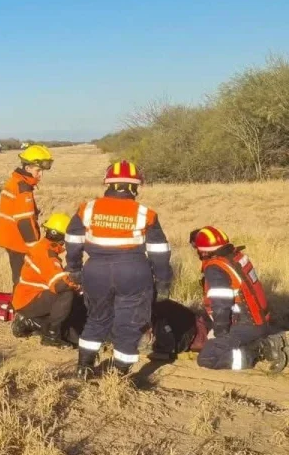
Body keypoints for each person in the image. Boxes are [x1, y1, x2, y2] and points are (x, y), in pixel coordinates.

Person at [65, 160, 172, 378]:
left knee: (96, 319)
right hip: (133, 273)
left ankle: (84, 367)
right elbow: (159, 252)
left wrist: (74, 268)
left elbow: (73, 240)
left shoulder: (87, 209)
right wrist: (163, 281)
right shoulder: (146, 213)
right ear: (135, 186)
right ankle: (119, 375)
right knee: (129, 325)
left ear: (108, 184)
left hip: (96, 272)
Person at [189, 227, 285, 371]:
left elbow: (221, 305)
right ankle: (261, 341)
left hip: (246, 325)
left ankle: (261, 349)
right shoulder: (236, 256)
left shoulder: (215, 268)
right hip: (261, 321)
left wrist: (220, 334)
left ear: (204, 251)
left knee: (207, 357)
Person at [11, 213, 79, 347]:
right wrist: (77, 282)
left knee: (69, 331)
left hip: (29, 299)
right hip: (30, 300)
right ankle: (50, 336)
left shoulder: (42, 247)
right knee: (67, 295)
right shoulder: (47, 254)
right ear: (61, 238)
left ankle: (29, 322)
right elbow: (59, 285)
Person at [0, 145, 54, 284]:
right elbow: (24, 221)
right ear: (27, 168)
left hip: (11, 240)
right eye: (38, 170)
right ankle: (19, 298)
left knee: (19, 278)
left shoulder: (16, 181)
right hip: (18, 242)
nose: (41, 175)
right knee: (23, 280)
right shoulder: (23, 188)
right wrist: (34, 248)